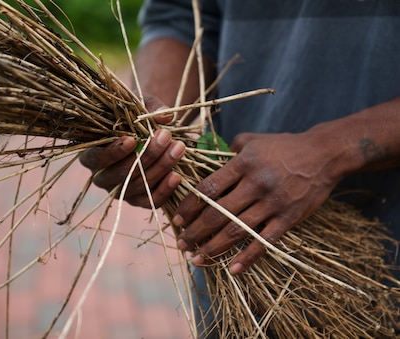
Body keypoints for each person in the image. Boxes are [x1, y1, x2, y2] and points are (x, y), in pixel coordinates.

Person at [80, 0, 400, 336]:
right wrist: (152, 132)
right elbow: (180, 16)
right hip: (239, 270)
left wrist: (330, 151)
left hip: (381, 270)